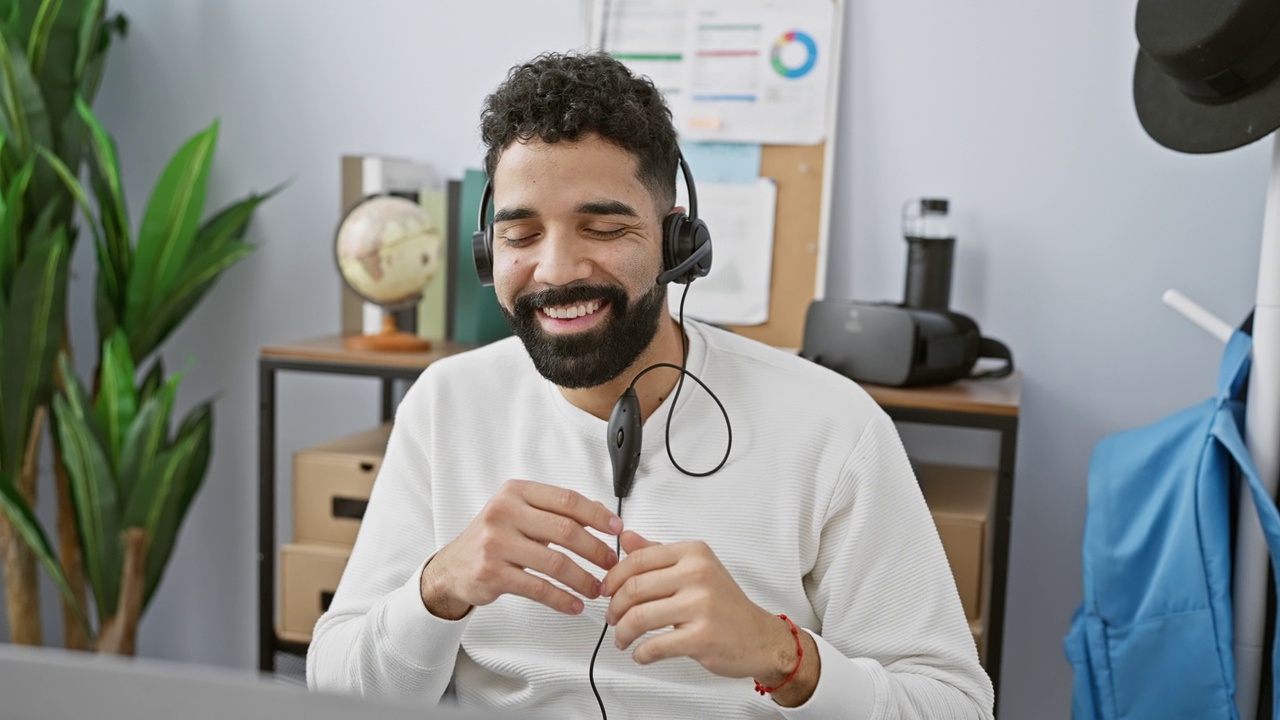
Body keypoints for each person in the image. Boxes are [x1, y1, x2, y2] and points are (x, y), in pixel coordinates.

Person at [307, 50, 994, 719]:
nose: (554, 269)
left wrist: (783, 655)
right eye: (521, 236)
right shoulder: (446, 404)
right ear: (490, 252)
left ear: (676, 244)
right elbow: (339, 698)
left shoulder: (832, 426)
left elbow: (954, 707)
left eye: (602, 227)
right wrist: (439, 587)